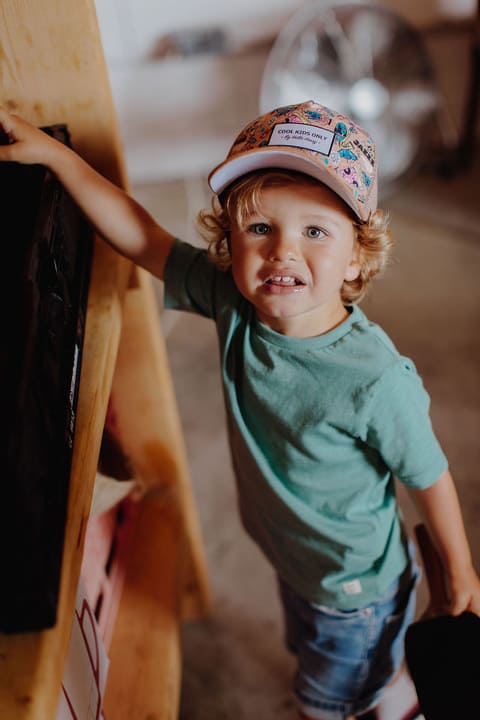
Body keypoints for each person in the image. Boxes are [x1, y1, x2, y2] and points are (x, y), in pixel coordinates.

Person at [1, 100, 479, 720]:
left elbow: (428, 474)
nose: (282, 251)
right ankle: (394, 697)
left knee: (329, 698)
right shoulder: (232, 300)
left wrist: (462, 573)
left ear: (358, 256)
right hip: (292, 551)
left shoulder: (376, 379)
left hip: (351, 585)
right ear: (229, 240)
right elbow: (142, 235)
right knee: (345, 666)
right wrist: (57, 158)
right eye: (260, 228)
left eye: (315, 230)